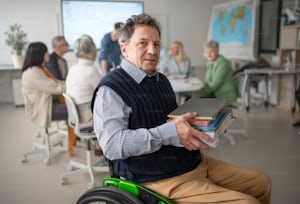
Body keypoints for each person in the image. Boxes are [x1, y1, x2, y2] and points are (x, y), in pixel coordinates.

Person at [92, 13, 271, 203]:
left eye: (157, 44)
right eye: (142, 43)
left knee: (262, 183)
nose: (152, 51)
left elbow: (174, 126)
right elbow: (112, 146)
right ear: (124, 49)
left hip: (192, 162)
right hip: (156, 177)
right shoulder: (110, 90)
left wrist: (203, 132)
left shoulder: (161, 81)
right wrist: (168, 132)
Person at [66, 35, 103, 155]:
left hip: (77, 117)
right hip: (87, 119)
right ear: (93, 52)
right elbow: (105, 91)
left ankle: (98, 145)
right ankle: (105, 148)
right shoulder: (91, 71)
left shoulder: (73, 68)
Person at [201, 40, 238, 105]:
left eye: (211, 52)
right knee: (190, 98)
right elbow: (206, 81)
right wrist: (200, 88)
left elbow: (215, 85)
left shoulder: (223, 63)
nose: (208, 54)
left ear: (217, 51)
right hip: (215, 93)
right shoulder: (210, 63)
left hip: (224, 96)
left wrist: (200, 91)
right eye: (206, 52)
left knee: (193, 100)